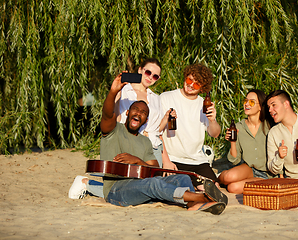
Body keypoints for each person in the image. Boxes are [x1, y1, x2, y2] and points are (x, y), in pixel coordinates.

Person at [95, 75, 227, 214]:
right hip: (117, 190)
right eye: (136, 110)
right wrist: (113, 92)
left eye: (143, 113)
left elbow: (155, 170)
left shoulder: (145, 141)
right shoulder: (113, 130)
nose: (139, 114)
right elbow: (107, 114)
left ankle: (193, 204)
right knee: (153, 183)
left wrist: (137, 161)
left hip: (141, 187)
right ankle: (202, 197)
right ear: (127, 112)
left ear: (146, 120)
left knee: (182, 178)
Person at [69, 58, 165, 199]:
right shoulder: (124, 90)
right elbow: (114, 118)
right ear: (139, 70)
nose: (150, 77)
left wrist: (166, 158)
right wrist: (116, 93)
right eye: (148, 72)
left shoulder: (156, 98)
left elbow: (158, 130)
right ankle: (86, 183)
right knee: (130, 188)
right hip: (129, 142)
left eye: (155, 76)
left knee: (154, 188)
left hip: (153, 147)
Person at [159, 63, 221, 188]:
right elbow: (157, 132)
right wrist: (166, 161)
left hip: (197, 160)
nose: (191, 85)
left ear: (203, 88)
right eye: (189, 80)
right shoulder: (166, 97)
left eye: (197, 83)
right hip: (173, 159)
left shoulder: (203, 104)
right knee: (182, 190)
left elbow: (215, 134)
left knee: (213, 189)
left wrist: (213, 120)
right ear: (185, 77)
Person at [218, 89, 275, 194]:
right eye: (245, 101)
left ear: (260, 106)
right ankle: (215, 182)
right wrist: (233, 142)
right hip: (248, 168)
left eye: (252, 102)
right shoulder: (239, 127)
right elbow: (235, 160)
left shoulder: (269, 126)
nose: (247, 104)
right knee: (228, 176)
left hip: (267, 174)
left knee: (233, 188)